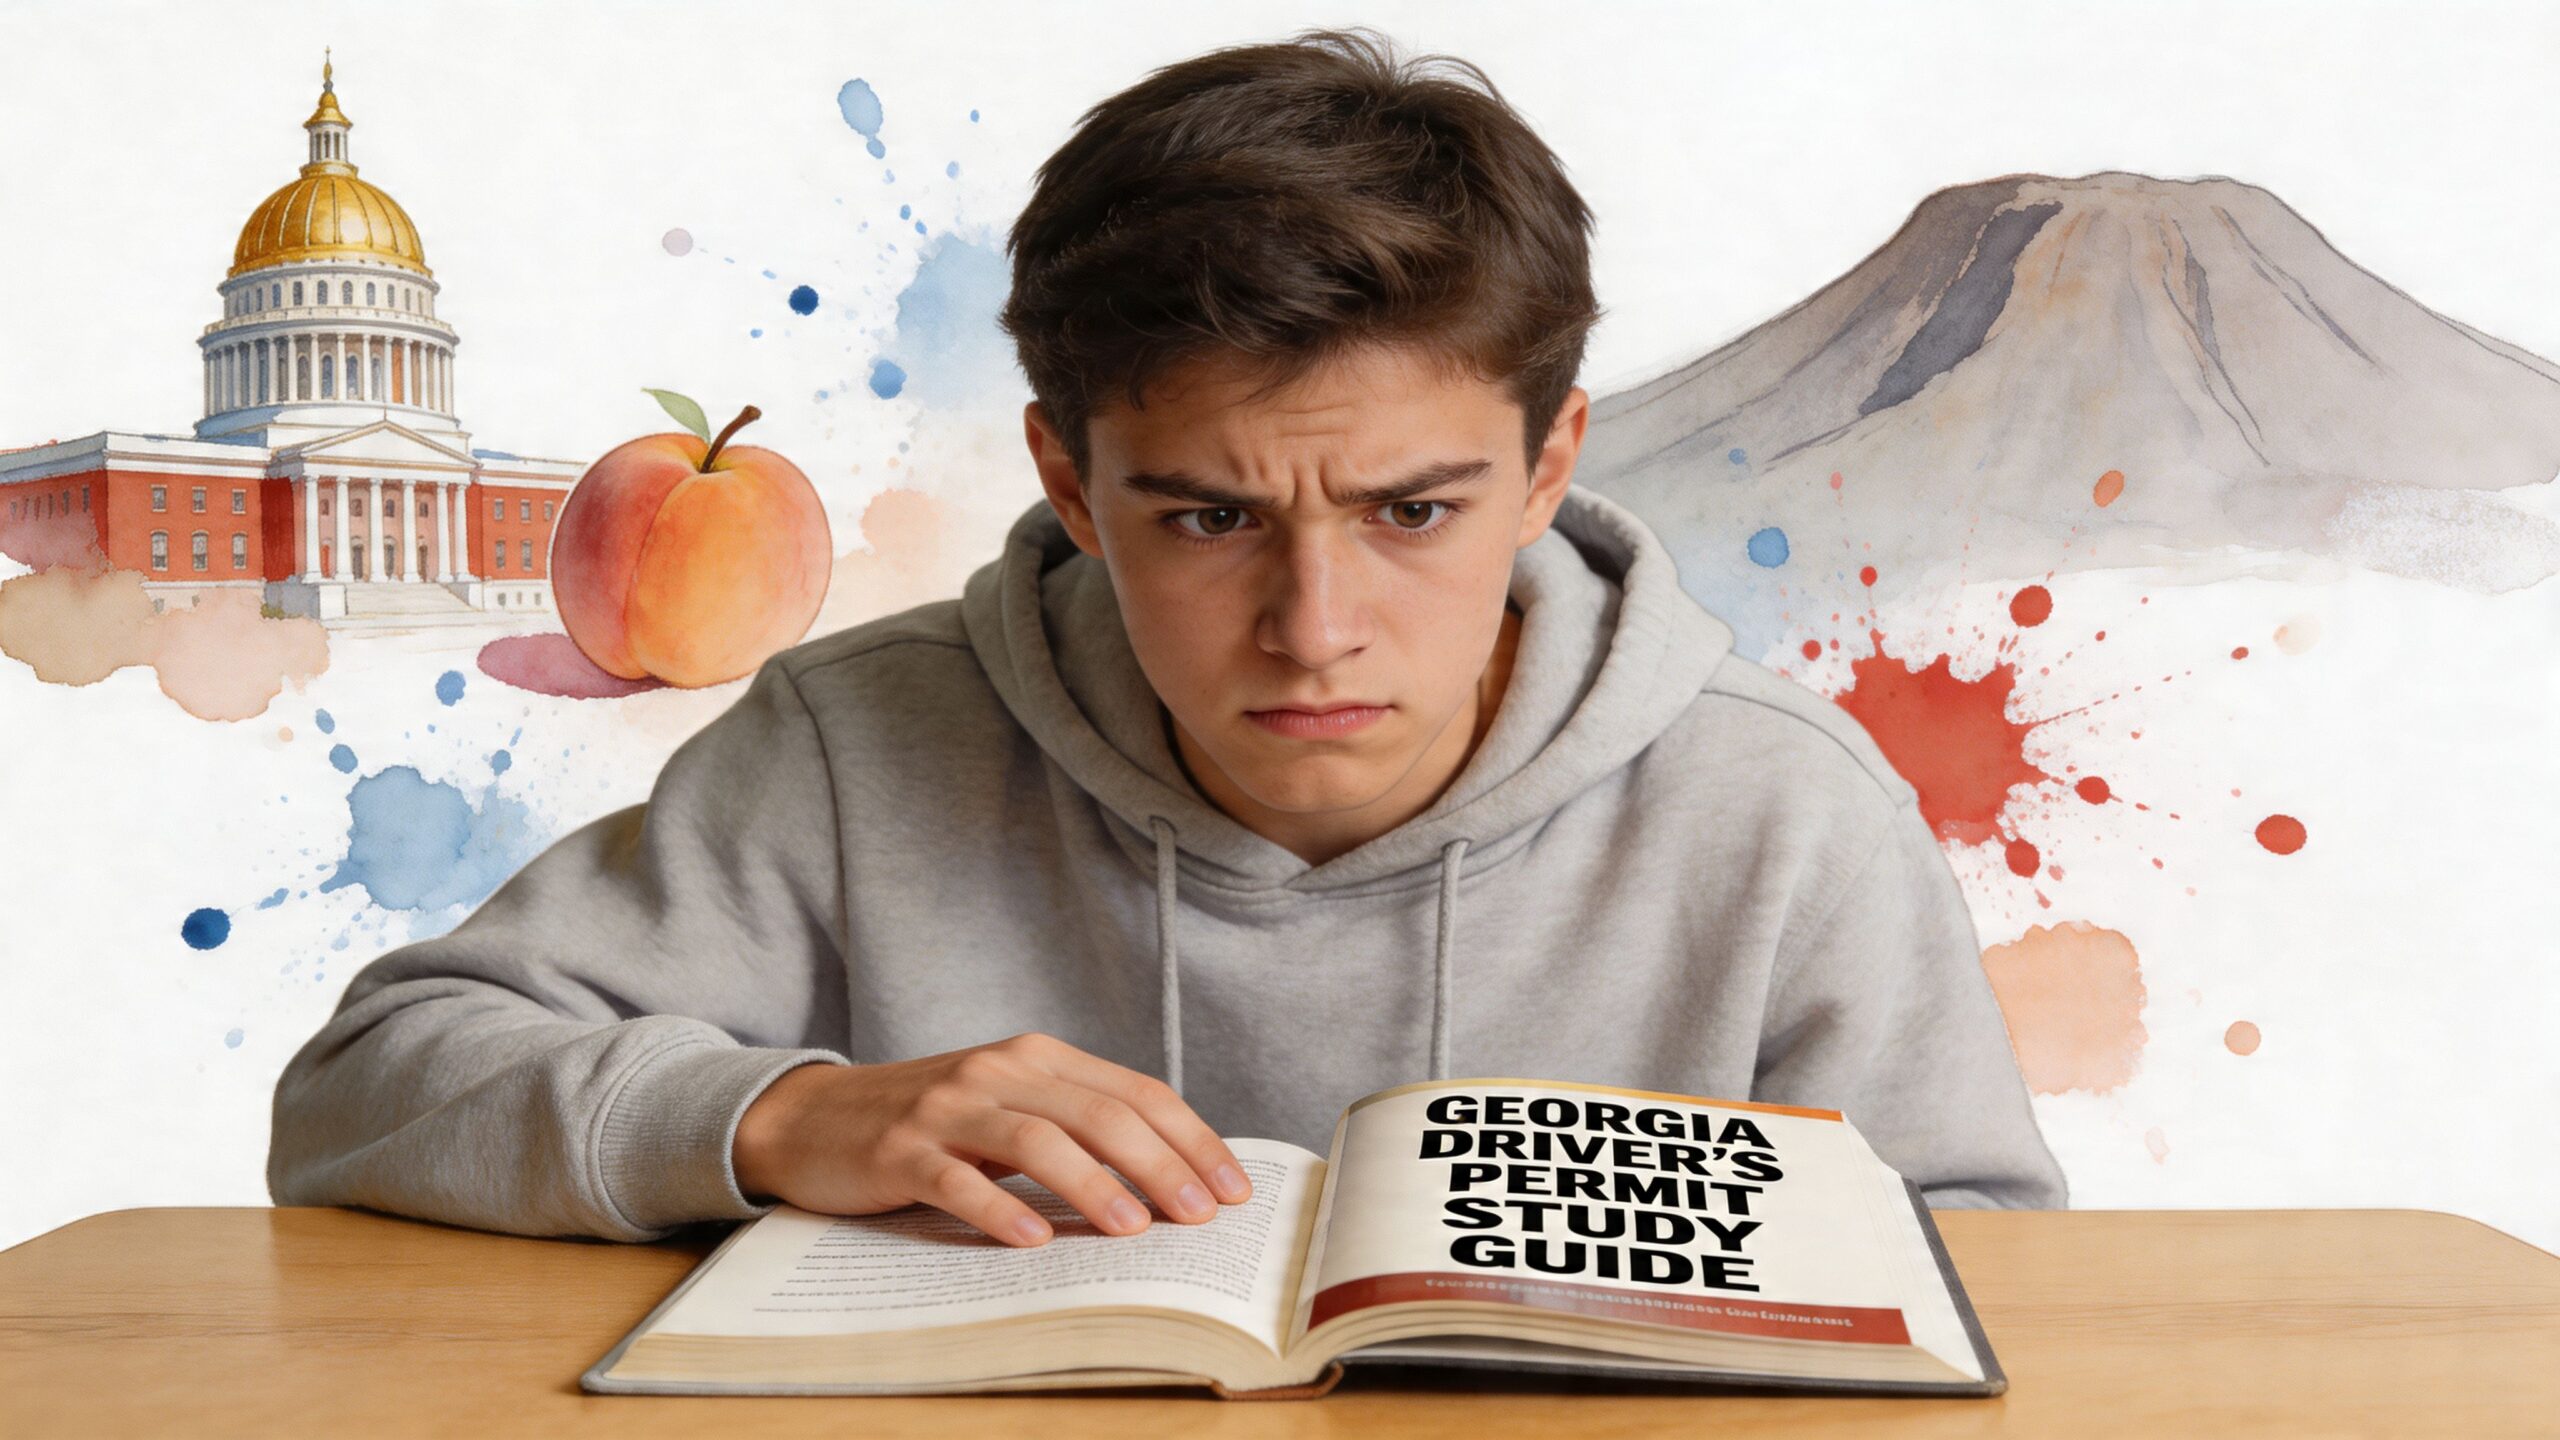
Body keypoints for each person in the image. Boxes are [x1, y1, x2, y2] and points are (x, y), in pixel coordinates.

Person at [268, 26, 2067, 1248]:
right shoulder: (852, 745)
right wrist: (772, 1122)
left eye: (1411, 512)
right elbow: (357, 1096)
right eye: (1206, 518)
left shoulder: (1781, 809)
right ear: (1065, 471)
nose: (1313, 628)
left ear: (1549, 468)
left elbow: (1991, 1276)